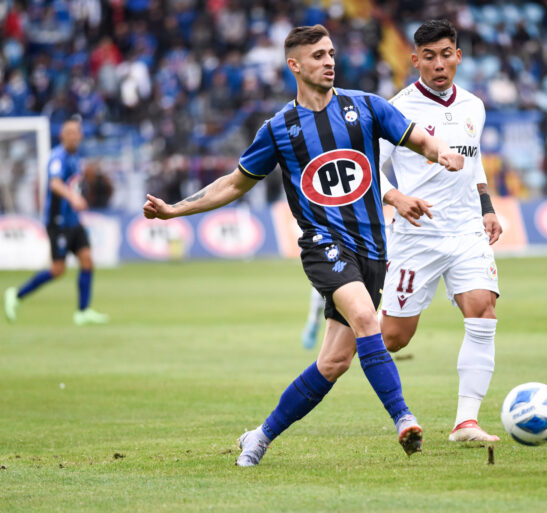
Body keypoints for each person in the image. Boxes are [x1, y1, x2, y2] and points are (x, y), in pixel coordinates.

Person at [142, 25, 465, 467]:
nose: (329, 61)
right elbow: (234, 183)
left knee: (333, 362)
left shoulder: (366, 106)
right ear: (294, 65)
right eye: (317, 56)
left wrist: (441, 152)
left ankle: (259, 436)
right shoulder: (279, 128)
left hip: (373, 250)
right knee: (366, 318)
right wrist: (174, 210)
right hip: (323, 244)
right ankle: (403, 418)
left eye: (330, 53)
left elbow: (420, 139)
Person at [377, 19, 503, 443]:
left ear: (458, 57)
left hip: (466, 230)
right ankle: (352, 324)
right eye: (428, 57)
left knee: (483, 310)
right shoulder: (397, 110)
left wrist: (487, 207)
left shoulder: (473, 106)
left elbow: (474, 159)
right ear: (415, 60)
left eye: (446, 55)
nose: (438, 64)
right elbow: (368, 168)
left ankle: (466, 422)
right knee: (394, 338)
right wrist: (396, 198)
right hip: (417, 234)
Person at [4, 118, 109, 326]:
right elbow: (55, 184)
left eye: (76, 132)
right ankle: (16, 295)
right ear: (62, 136)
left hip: (73, 220)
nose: (73, 136)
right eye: (69, 133)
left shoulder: (76, 157)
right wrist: (74, 198)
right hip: (57, 221)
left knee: (87, 260)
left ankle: (83, 312)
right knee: (57, 270)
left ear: (80, 135)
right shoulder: (57, 157)